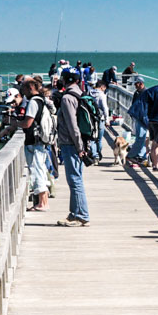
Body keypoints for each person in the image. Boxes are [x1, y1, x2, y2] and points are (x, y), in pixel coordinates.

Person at [0, 78, 51, 211]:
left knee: (36, 170)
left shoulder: (33, 102)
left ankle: (42, 204)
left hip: (34, 141)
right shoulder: (40, 99)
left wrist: (15, 124)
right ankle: (43, 202)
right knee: (40, 169)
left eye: (24, 88)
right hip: (39, 141)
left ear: (31, 87)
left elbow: (28, 123)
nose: (23, 91)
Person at [55, 71, 91, 227]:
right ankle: (74, 213)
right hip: (77, 142)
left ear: (65, 80)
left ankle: (81, 215)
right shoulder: (80, 95)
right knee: (75, 178)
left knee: (75, 180)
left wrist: (79, 146)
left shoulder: (67, 98)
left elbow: (72, 125)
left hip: (71, 144)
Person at [126, 76, 149, 165]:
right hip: (137, 118)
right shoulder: (136, 93)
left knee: (142, 137)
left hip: (143, 118)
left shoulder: (146, 93)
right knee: (140, 137)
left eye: (136, 84)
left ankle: (137, 155)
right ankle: (142, 156)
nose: (135, 85)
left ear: (141, 83)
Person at [90, 79, 110, 162]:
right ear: (102, 87)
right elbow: (105, 108)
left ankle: (94, 155)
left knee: (92, 137)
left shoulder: (89, 93)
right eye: (104, 88)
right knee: (99, 139)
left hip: (91, 118)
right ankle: (98, 154)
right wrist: (107, 120)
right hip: (100, 118)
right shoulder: (102, 95)